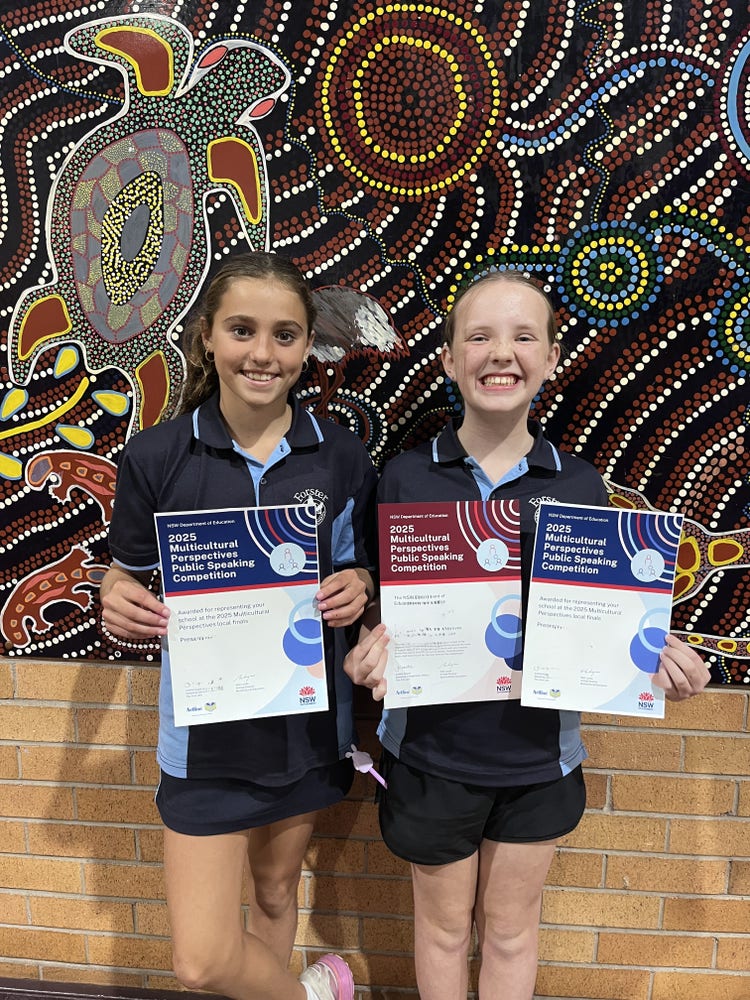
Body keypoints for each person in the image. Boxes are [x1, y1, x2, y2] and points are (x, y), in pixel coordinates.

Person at [344, 270, 711, 1000]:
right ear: (449, 359)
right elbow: (381, 607)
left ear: (550, 358)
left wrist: (659, 664)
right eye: (478, 336)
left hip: (539, 760)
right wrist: (370, 651)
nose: (500, 353)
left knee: (511, 931)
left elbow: (602, 624)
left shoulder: (578, 485)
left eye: (522, 336)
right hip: (430, 755)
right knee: (443, 930)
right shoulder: (405, 479)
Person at [100, 251, 378, 1000]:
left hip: (306, 724)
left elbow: (362, 569)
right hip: (204, 737)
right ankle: (316, 996)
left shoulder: (340, 456)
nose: (264, 352)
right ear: (208, 339)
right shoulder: (158, 455)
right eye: (243, 330)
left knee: (276, 895)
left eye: (285, 335)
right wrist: (116, 594)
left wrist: (359, 584)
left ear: (306, 345)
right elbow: (125, 571)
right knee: (200, 960)